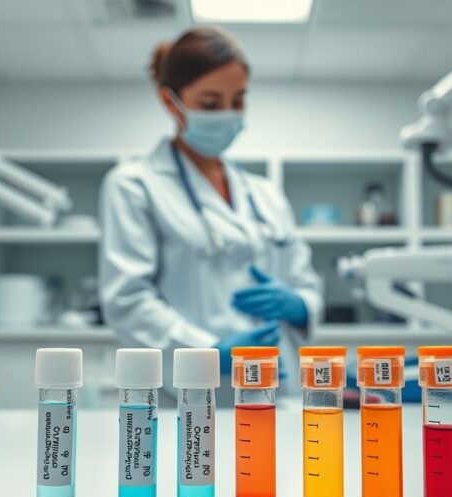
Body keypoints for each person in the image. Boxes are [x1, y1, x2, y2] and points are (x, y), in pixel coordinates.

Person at [98, 27, 323, 389]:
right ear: (171, 103)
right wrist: (209, 352)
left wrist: (299, 304)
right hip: (194, 392)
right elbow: (128, 302)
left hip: (279, 389)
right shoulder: (134, 185)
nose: (228, 114)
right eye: (210, 103)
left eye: (238, 101)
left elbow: (306, 283)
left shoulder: (266, 195)